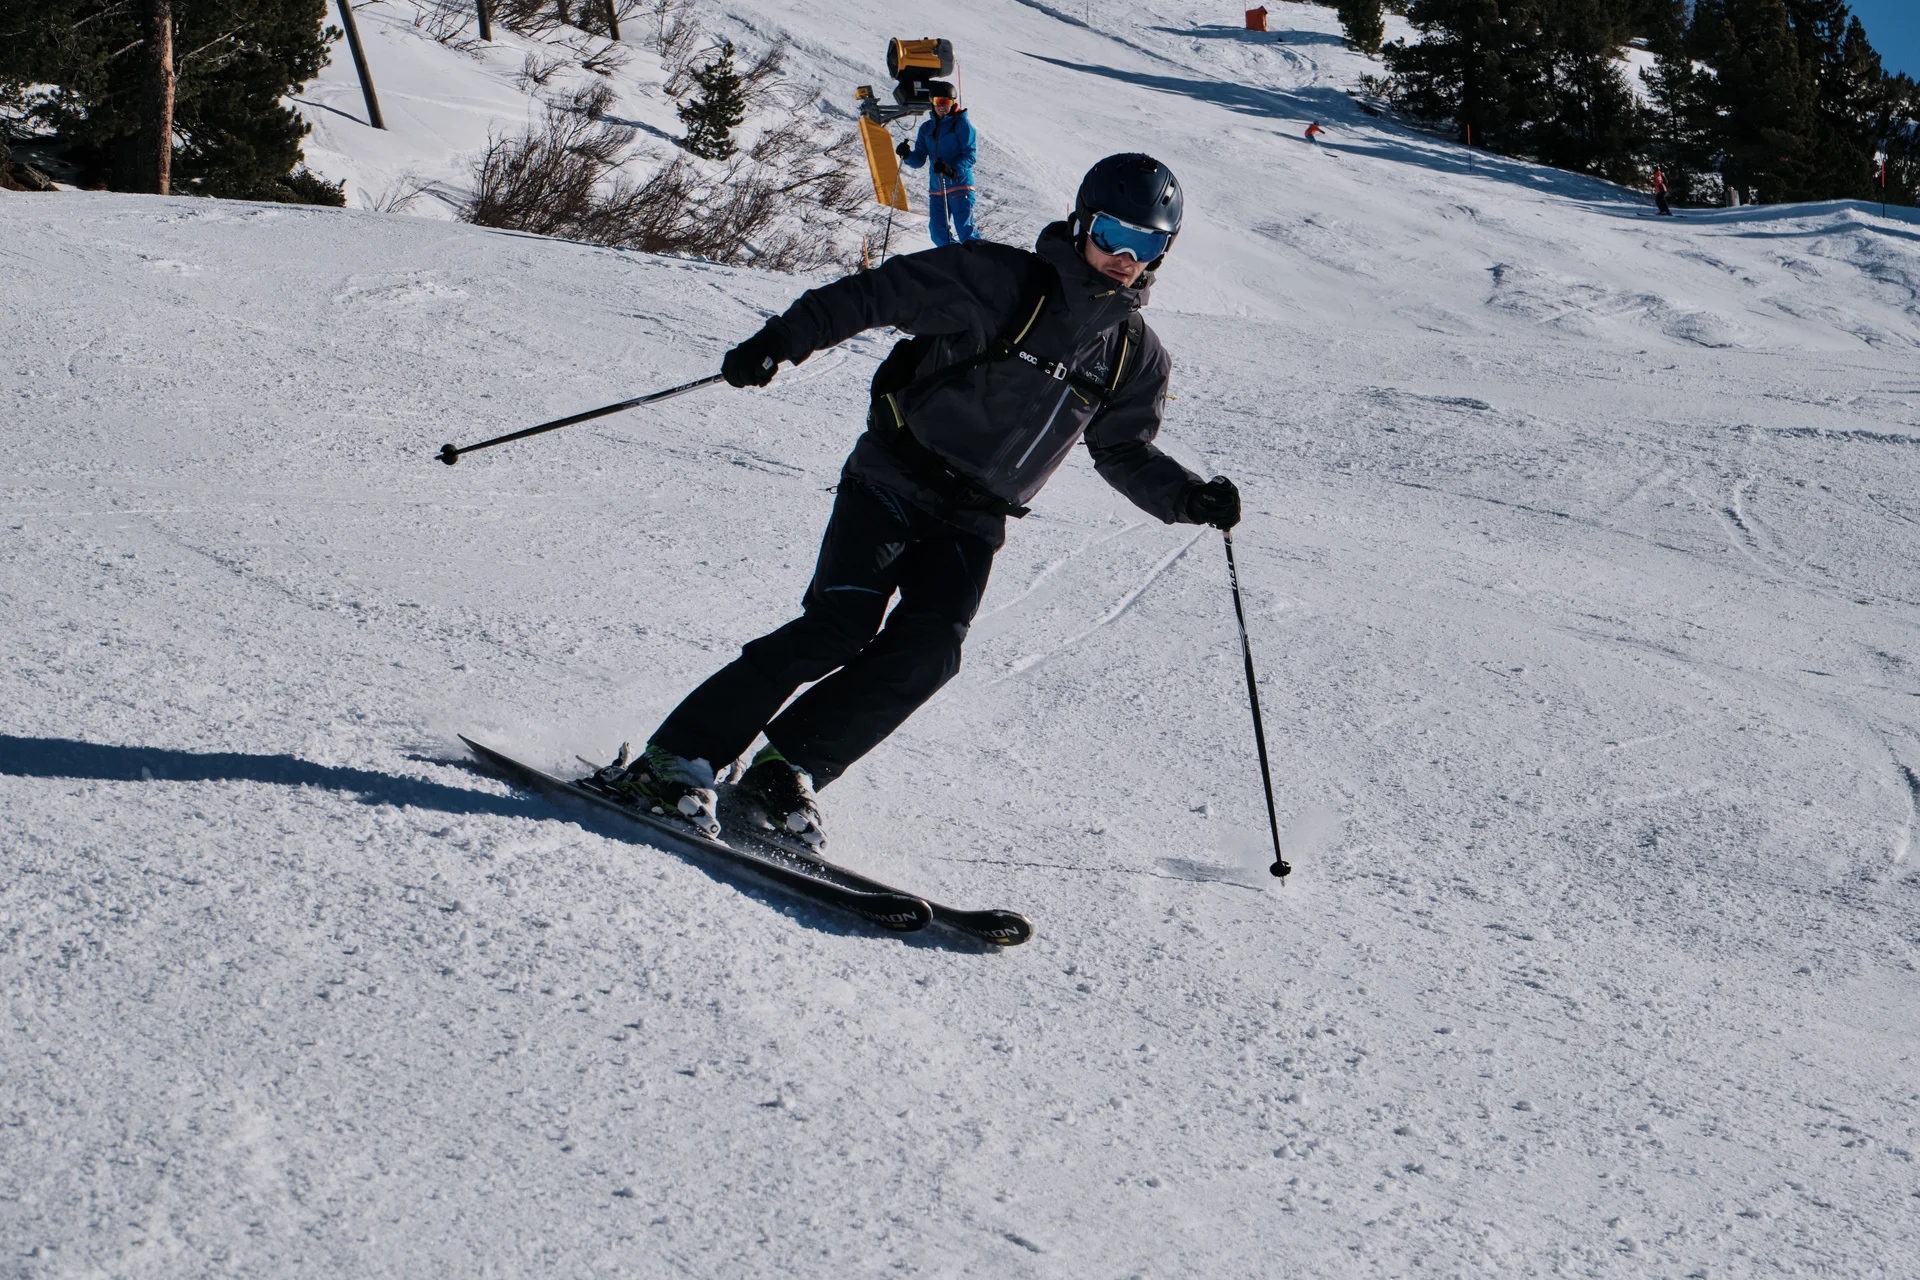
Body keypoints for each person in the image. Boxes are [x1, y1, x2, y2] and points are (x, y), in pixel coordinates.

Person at [604, 154, 1240, 849]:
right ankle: (674, 757)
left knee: (932, 649)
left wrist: (1188, 498)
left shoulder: (1134, 355)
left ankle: (786, 769)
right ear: (1083, 221)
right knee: (837, 626)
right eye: (1114, 233)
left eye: (1146, 244)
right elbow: (878, 293)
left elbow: (1124, 451)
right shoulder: (997, 279)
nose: (1124, 256)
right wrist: (782, 340)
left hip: (976, 518)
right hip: (893, 478)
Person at [895, 95, 979, 246]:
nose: (941, 107)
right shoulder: (927, 128)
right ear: (932, 103)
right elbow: (919, 159)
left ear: (953, 103)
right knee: (937, 231)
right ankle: (952, 260)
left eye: (945, 102)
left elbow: (970, 155)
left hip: (959, 185)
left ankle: (979, 261)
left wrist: (952, 170)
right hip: (937, 188)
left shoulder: (961, 124)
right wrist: (907, 155)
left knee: (966, 230)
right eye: (937, 102)